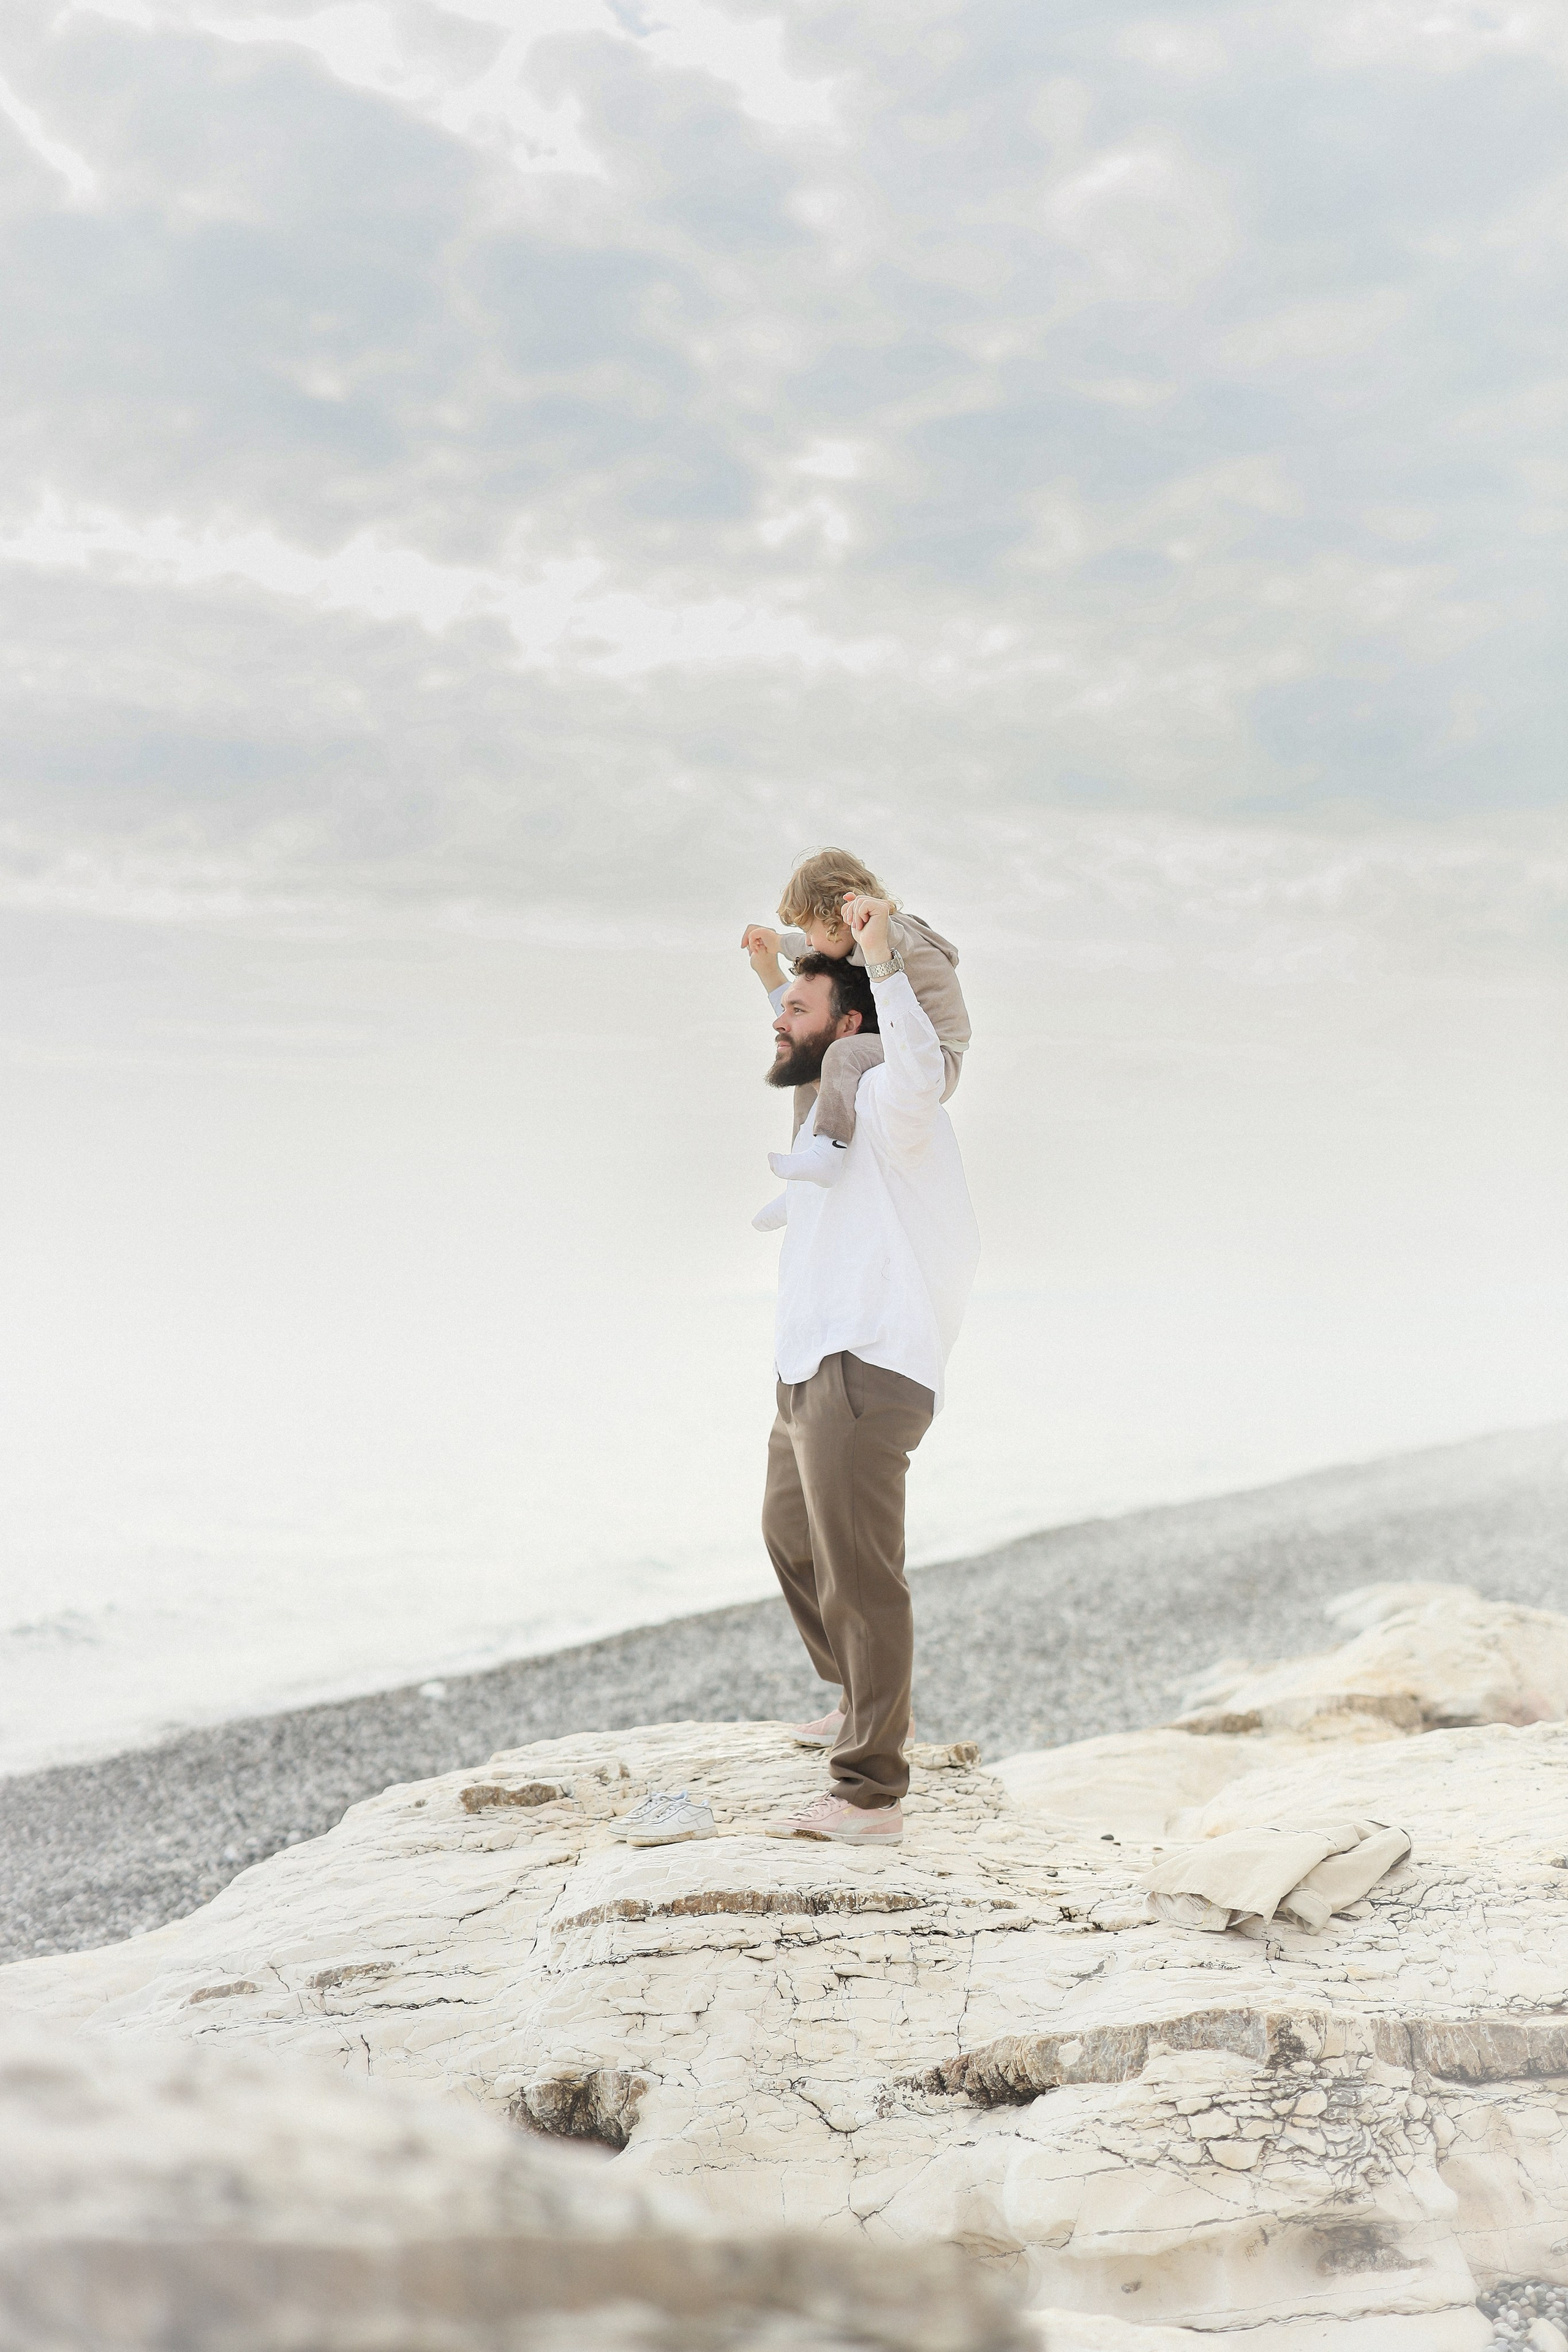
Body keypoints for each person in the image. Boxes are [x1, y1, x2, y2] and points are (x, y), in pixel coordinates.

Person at [752, 892, 980, 1845]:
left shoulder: (891, 1099)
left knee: (861, 1576)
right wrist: (773, 971)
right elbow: (804, 1030)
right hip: (807, 1365)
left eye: (798, 1011)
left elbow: (915, 1058)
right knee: (791, 1540)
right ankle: (862, 1702)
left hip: (870, 1364)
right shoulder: (826, 1123)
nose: (779, 1021)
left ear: (853, 1025)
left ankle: (870, 1794)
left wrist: (883, 956)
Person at [740, 847, 970, 1208]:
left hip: (937, 1053)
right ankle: (806, 1178)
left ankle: (829, 1150)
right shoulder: (848, 937)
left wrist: (877, 931)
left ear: (835, 919)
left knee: (841, 1052)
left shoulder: (891, 932)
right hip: (896, 1042)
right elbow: (811, 987)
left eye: (809, 930)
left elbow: (889, 938)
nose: (809, 942)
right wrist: (777, 944)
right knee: (810, 1069)